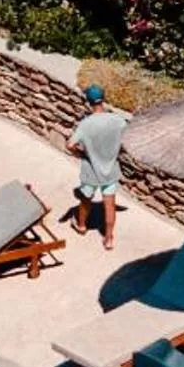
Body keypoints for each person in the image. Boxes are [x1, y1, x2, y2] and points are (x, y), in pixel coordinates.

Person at [67, 84, 129, 250]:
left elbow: (70, 144)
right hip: (111, 170)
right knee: (109, 204)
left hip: (91, 170)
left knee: (85, 199)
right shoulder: (118, 121)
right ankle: (108, 239)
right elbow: (127, 137)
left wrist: (80, 153)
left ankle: (81, 226)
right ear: (103, 99)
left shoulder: (85, 124)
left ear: (89, 102)